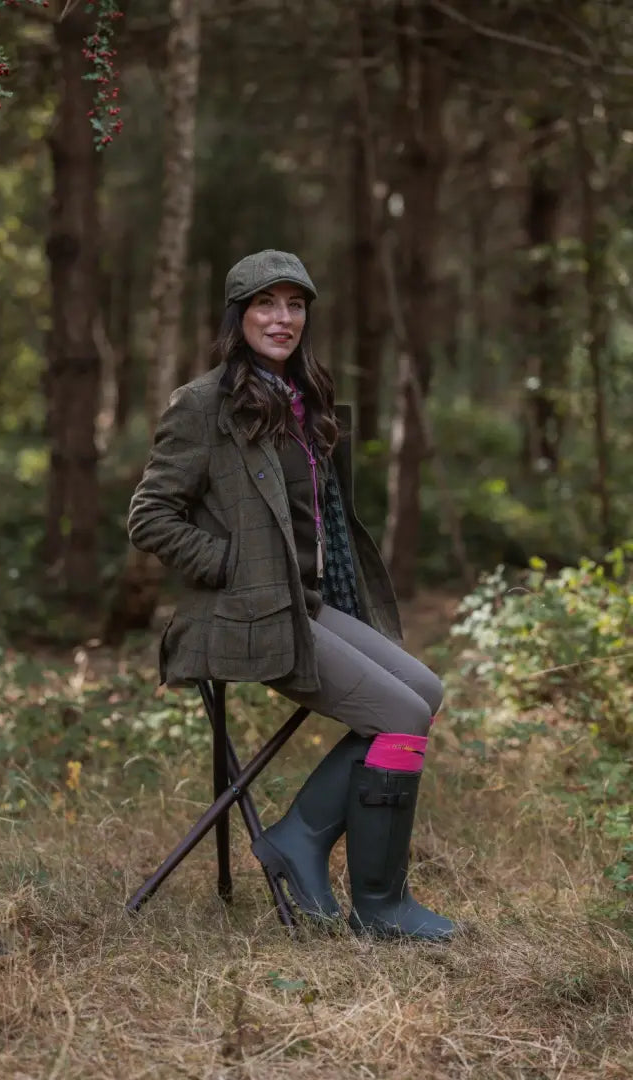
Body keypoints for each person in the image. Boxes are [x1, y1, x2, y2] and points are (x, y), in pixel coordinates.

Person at [128, 249, 454, 941]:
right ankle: (380, 906)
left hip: (300, 603)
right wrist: (234, 564)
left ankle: (297, 837)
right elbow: (150, 516)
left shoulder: (304, 400)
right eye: (265, 304)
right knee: (397, 714)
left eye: (295, 304)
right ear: (237, 315)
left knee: (424, 692)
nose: (282, 319)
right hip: (239, 613)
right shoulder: (202, 404)